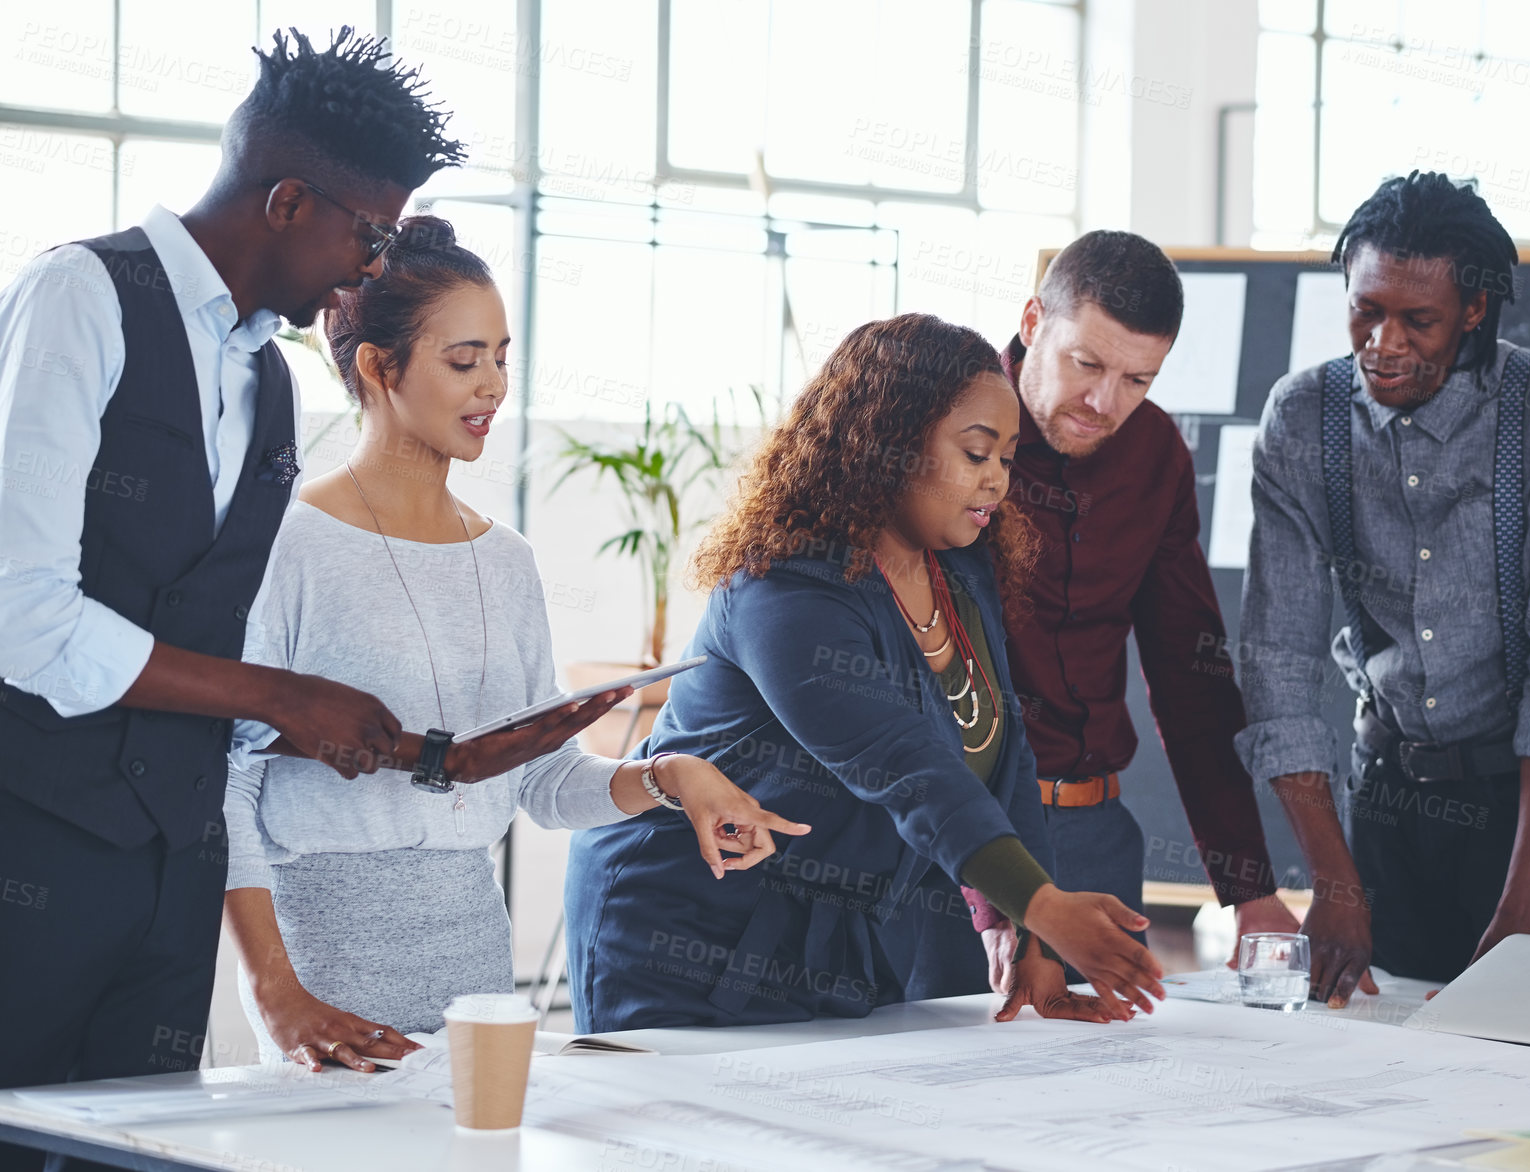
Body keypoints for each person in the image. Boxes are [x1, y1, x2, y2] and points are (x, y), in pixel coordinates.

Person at [0, 28, 463, 1169]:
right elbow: (22, 614)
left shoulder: (261, 373)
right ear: (289, 201)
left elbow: (197, 624)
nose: (371, 268)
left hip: (172, 868)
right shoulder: (83, 295)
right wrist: (282, 693)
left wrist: (321, 720)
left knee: (135, 1150)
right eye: (369, 232)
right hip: (35, 853)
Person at [221, 216, 808, 1069]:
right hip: (327, 963)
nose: (493, 385)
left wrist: (670, 778)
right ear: (377, 368)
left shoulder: (505, 559)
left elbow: (535, 783)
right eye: (464, 362)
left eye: (501, 356)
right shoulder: (287, 543)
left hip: (472, 960)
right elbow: (227, 779)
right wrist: (278, 995)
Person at [565, 313, 1167, 1033]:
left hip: (836, 931)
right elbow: (902, 763)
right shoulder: (782, 588)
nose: (996, 482)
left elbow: (1006, 764)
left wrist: (1022, 929)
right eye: (976, 453)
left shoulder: (959, 572)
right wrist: (1044, 904)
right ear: (887, 446)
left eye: (1006, 458)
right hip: (684, 930)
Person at [1238, 171, 1530, 1002]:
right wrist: (1333, 883)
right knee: (1386, 1079)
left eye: (1417, 321)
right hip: (1386, 805)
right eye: (1364, 311)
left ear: (1474, 310)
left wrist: (1526, 906)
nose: (1383, 342)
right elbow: (1275, 660)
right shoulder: (1303, 419)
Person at [977, 230, 1302, 993]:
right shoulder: (952, 434)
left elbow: (1190, 673)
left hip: (1095, 836)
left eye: (1137, 380)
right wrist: (996, 905)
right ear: (1032, 324)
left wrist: (1248, 886)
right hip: (959, 841)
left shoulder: (1155, 454)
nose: (1104, 403)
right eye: (1085, 364)